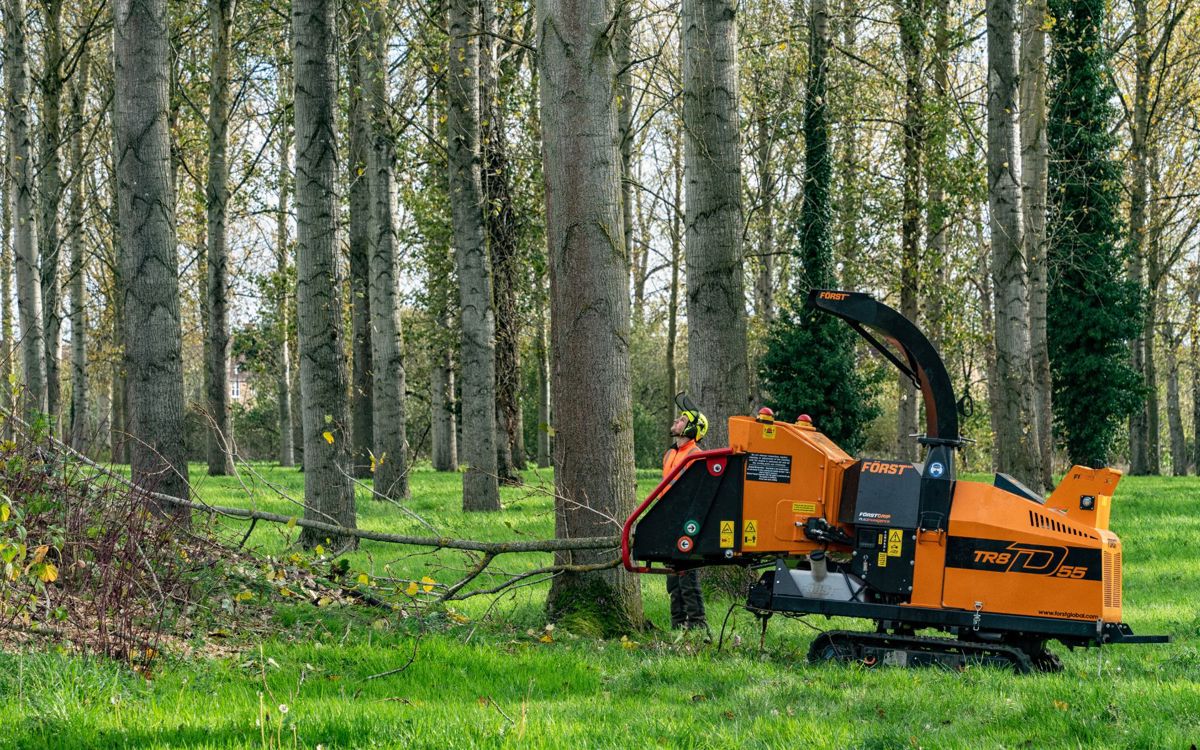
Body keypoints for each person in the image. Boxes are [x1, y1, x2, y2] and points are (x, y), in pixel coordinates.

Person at [662, 396, 709, 634]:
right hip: (669, 520)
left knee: (687, 576)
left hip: (687, 522)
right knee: (673, 579)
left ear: (692, 428)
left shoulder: (696, 455)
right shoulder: (670, 454)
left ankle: (698, 626)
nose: (676, 421)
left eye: (681, 419)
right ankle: (678, 627)